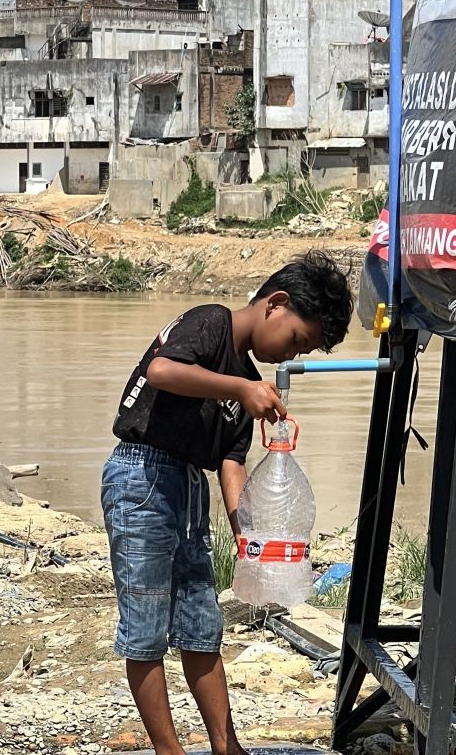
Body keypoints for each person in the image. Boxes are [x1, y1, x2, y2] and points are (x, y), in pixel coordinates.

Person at [102, 250, 353, 755]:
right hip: (140, 476)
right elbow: (162, 371)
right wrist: (241, 387)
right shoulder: (212, 323)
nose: (288, 354)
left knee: (201, 622)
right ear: (275, 304)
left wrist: (248, 539)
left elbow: (230, 466)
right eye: (296, 340)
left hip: (189, 490)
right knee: (146, 621)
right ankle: (169, 750)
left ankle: (226, 746)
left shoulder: (246, 384)